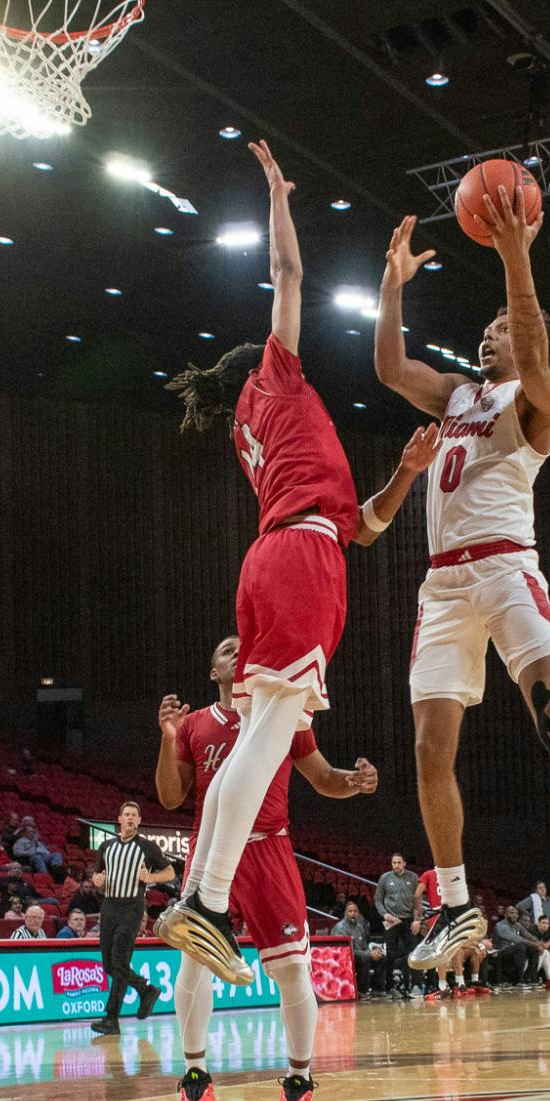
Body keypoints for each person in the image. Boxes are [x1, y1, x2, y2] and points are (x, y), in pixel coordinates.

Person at [373, 202, 550, 981]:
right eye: (484, 327)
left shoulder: (538, 401)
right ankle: (453, 905)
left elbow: (530, 337)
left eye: (502, 327)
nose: (489, 334)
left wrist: (517, 255)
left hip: (509, 569)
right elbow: (389, 368)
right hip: (444, 585)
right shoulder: (454, 394)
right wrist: (391, 285)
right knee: (427, 746)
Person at [156, 141, 382, 989]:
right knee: (276, 725)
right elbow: (288, 274)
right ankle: (207, 899)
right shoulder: (275, 380)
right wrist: (279, 195)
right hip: (300, 553)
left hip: (270, 556)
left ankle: (199, 901)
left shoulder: (246, 423)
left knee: (261, 731)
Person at [157, 638, 378, 1101]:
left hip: (268, 845)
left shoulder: (283, 713)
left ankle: (299, 1080)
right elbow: (172, 798)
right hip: (211, 848)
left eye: (242, 646)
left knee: (293, 967)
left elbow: (322, 778)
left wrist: (353, 782)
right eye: (224, 650)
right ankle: (195, 1076)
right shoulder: (195, 724)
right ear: (213, 671)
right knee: (193, 962)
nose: (236, 652)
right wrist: (169, 736)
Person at [87, 803, 173, 1035]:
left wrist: (151, 876)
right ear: (119, 819)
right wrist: (97, 881)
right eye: (126, 815)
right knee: (110, 965)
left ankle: (111, 1018)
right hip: (109, 906)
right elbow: (98, 874)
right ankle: (145, 990)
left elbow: (170, 872)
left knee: (119, 961)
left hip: (132, 907)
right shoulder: (106, 846)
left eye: (134, 815)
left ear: (139, 820)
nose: (130, 819)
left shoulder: (147, 847)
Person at [374, 853, 422, 974]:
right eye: (394, 863)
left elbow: (418, 901)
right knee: (390, 953)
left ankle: (415, 985)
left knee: (414, 951)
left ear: (404, 863)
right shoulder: (385, 878)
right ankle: (390, 986)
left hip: (409, 919)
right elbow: (378, 900)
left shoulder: (413, 877)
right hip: (391, 920)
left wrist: (417, 920)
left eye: (399, 863)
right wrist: (384, 914)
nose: (396, 865)